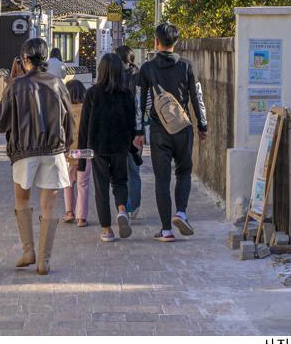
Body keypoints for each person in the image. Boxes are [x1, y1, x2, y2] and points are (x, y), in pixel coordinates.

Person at [0, 37, 74, 274]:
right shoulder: (57, 84)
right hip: (53, 150)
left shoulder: (16, 86)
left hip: (24, 151)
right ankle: (44, 260)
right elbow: (69, 120)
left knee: (22, 200)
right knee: (49, 206)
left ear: (24, 59)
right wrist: (68, 148)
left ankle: (28, 251)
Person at [135, 22, 209, 242]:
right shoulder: (187, 66)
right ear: (175, 42)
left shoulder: (147, 68)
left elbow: (139, 102)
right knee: (184, 172)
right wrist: (202, 125)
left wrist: (139, 131)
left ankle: (166, 230)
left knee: (162, 179)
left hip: (159, 131)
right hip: (183, 129)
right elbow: (197, 97)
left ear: (156, 42)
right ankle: (182, 212)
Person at [78, 53, 136, 242]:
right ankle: (121, 210)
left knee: (101, 188)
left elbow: (84, 126)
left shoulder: (92, 93)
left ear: (101, 70)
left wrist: (81, 159)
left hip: (98, 147)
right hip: (120, 146)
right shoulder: (127, 93)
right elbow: (131, 123)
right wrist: (131, 147)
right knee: (120, 181)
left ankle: (106, 230)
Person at [115, 45, 143, 219]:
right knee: (134, 169)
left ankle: (125, 206)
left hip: (120, 128)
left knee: (121, 170)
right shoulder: (140, 75)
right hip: (136, 129)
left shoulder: (116, 78)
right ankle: (133, 205)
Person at [62, 79, 91, 227]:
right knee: (83, 184)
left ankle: (69, 212)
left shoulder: (64, 110)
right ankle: (81, 217)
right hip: (85, 152)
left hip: (68, 153)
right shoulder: (88, 109)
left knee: (68, 183)